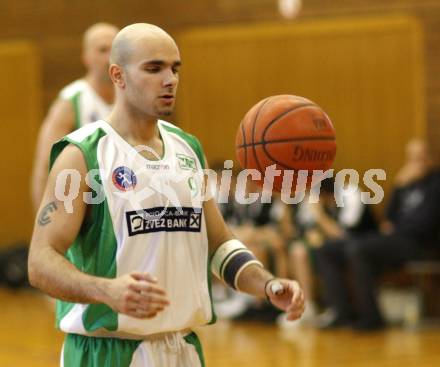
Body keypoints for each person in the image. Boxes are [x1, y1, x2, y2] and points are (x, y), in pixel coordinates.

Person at [28, 23, 304, 367]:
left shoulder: (188, 148)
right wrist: (107, 291)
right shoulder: (81, 154)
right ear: (118, 75)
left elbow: (218, 244)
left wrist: (267, 284)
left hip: (183, 349)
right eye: (154, 68)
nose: (170, 79)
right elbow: (40, 262)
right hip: (108, 352)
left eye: (175, 68)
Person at [316, 139, 440, 331]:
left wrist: (396, 229)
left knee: (359, 249)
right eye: (412, 158)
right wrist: (398, 185)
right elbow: (388, 217)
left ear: (430, 157)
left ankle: (371, 318)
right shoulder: (406, 183)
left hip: (419, 244)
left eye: (420, 157)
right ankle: (341, 313)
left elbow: (427, 223)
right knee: (327, 250)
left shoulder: (436, 184)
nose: (416, 163)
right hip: (395, 239)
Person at [31, 22, 119, 212]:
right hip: (86, 207)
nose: (109, 57)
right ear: (86, 58)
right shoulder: (71, 101)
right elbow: (45, 166)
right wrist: (43, 227)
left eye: (114, 49)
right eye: (102, 50)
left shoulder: (132, 96)